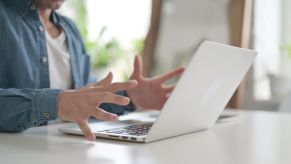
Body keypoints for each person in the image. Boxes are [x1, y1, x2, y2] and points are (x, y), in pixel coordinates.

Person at [0, 0, 184, 141]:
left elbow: (84, 102)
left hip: (65, 149)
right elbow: (64, 103)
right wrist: (55, 103)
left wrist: (129, 97)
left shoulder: (70, 29)